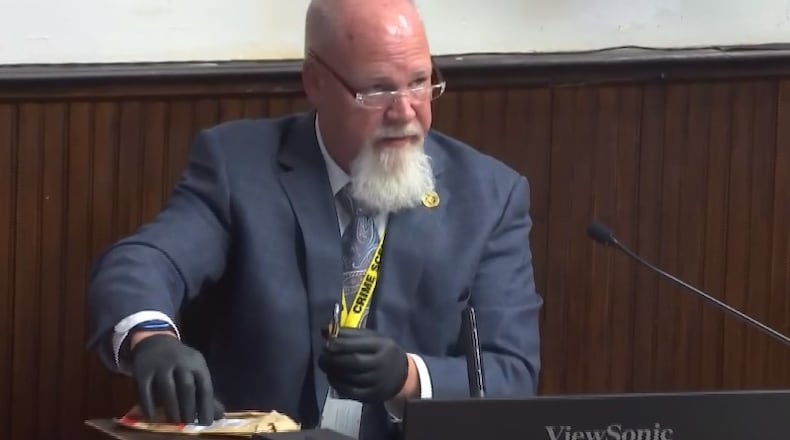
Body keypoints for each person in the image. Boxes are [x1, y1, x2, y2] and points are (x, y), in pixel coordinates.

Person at [86, 0, 542, 439]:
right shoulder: (238, 168)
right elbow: (145, 260)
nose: (405, 112)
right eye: (378, 89)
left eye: (420, 82)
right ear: (315, 82)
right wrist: (151, 337)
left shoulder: (488, 197)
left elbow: (511, 375)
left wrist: (409, 377)